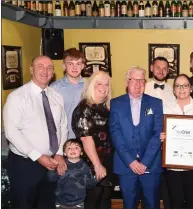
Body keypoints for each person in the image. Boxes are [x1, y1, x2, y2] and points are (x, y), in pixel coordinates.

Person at [3, 55, 68, 209]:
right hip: (25, 165)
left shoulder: (56, 97)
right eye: (40, 66)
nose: (45, 71)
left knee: (47, 204)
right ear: (31, 69)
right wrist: (38, 156)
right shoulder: (17, 97)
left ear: (53, 73)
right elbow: (12, 133)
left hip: (51, 164)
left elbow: (62, 126)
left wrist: (59, 153)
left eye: (50, 68)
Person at [110, 66, 163, 209]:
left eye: (142, 80)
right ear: (127, 82)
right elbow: (115, 134)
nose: (138, 84)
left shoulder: (156, 103)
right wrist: (131, 162)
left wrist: (145, 162)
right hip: (125, 166)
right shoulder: (116, 103)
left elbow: (158, 133)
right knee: (129, 204)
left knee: (152, 204)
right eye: (134, 80)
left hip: (150, 165)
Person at [161, 74, 193, 209]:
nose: (182, 89)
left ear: (191, 88)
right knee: (175, 202)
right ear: (174, 90)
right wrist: (161, 137)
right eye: (178, 86)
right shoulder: (166, 108)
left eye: (185, 85)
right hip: (173, 165)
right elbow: (161, 131)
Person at [72, 71, 114, 209]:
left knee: (105, 200)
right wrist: (97, 165)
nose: (103, 87)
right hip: (91, 164)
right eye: (99, 84)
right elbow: (86, 139)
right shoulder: (84, 108)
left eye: (106, 84)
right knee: (93, 201)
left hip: (107, 162)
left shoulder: (107, 108)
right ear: (91, 86)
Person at [144, 56, 173, 209]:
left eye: (164, 68)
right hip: (148, 145)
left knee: (167, 184)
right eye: (158, 68)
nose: (161, 71)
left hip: (169, 144)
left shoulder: (172, 90)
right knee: (149, 187)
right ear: (151, 68)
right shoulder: (143, 87)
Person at [48, 139, 97, 209]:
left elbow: (90, 184)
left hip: (78, 203)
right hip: (61, 202)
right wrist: (51, 170)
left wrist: (97, 177)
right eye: (69, 148)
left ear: (81, 152)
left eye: (76, 147)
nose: (72, 150)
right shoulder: (61, 164)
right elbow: (52, 179)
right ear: (64, 153)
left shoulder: (85, 167)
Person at [51, 48, 86, 139]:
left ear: (83, 66)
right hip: (63, 140)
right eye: (70, 64)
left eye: (78, 64)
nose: (75, 68)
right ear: (64, 66)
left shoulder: (90, 86)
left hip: (86, 139)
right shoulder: (54, 88)